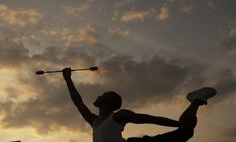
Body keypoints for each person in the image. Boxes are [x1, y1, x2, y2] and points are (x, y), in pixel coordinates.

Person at [62, 67, 217, 142]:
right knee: (186, 132)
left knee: (185, 132)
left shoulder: (119, 116)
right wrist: (68, 79)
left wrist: (178, 124)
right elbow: (78, 102)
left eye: (102, 95)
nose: (97, 96)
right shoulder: (94, 121)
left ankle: (197, 100)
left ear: (107, 102)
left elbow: (151, 119)